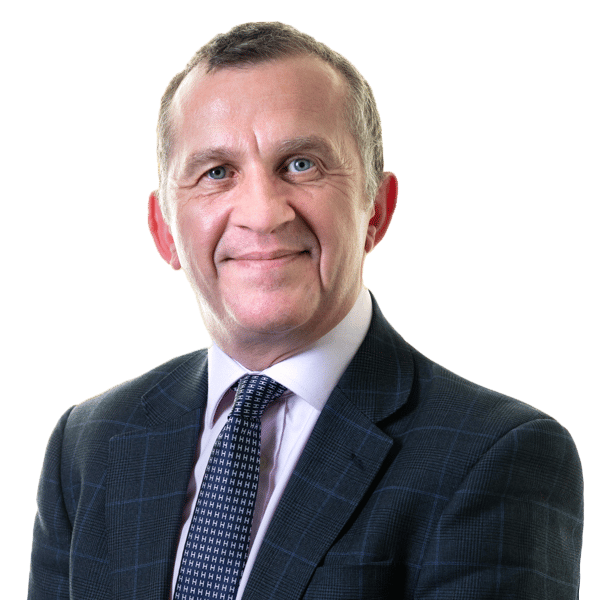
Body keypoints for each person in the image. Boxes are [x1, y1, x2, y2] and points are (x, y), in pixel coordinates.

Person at [28, 21, 583, 600]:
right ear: (164, 231)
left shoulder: (497, 455)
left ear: (376, 210)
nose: (263, 214)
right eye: (217, 173)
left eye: (301, 164)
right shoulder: (87, 444)